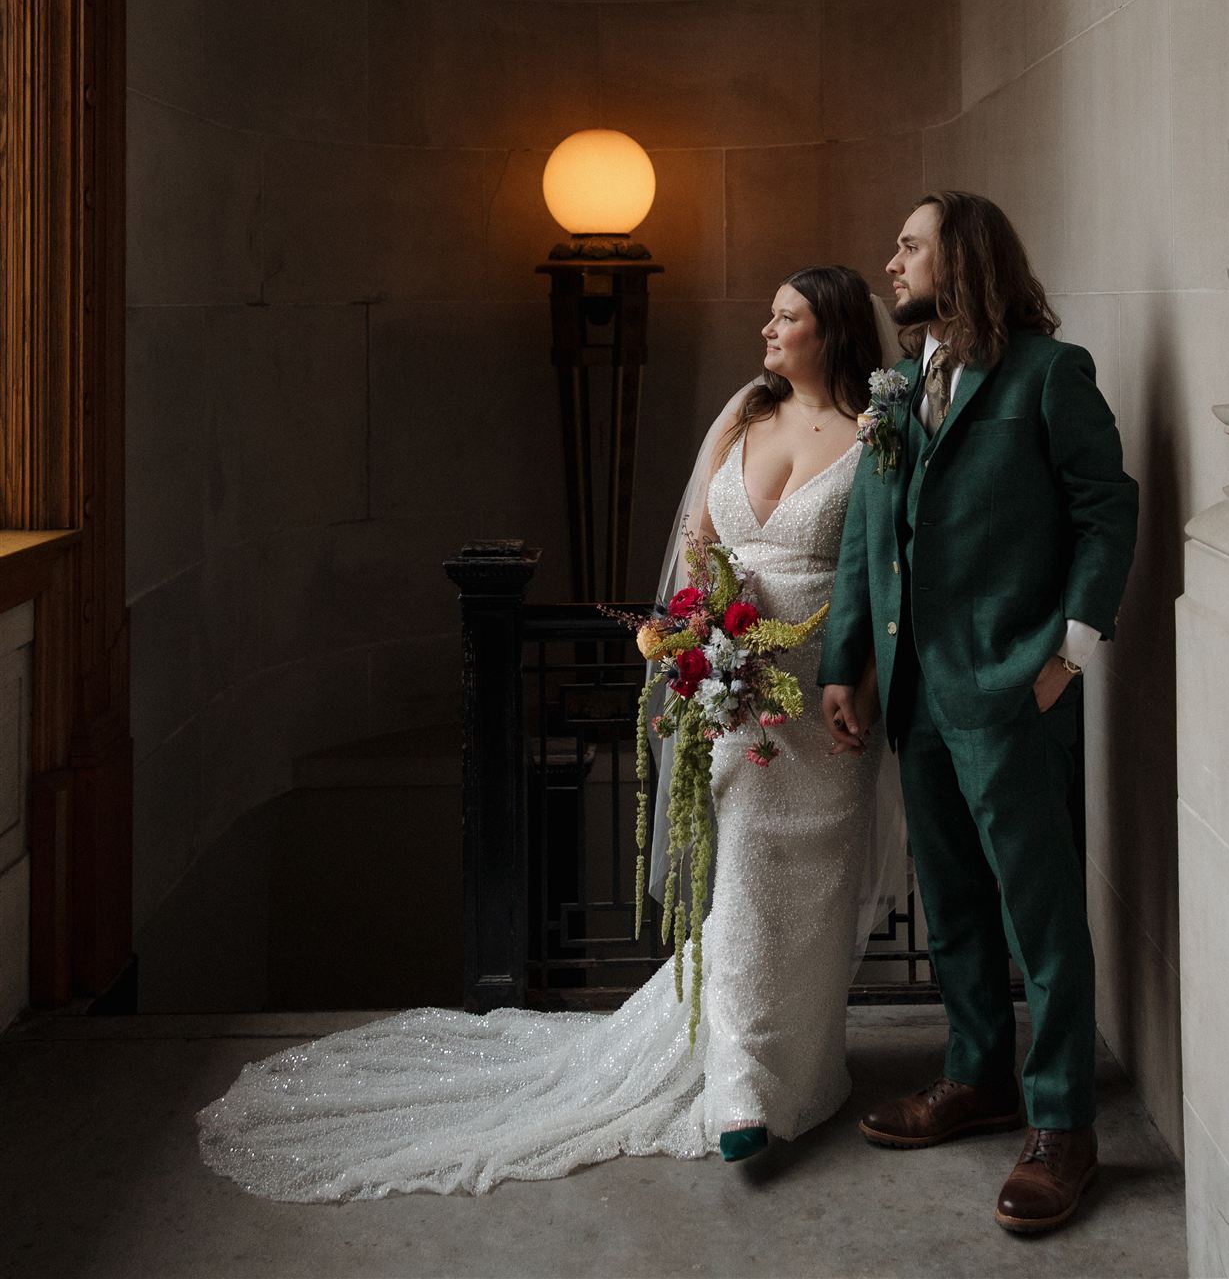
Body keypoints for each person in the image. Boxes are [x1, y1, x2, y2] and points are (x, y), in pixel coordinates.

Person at [197, 265, 905, 1200]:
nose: (766, 329)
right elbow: (697, 545)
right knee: (742, 873)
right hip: (730, 689)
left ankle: (799, 1071)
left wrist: (852, 672)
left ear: (834, 330)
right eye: (770, 314)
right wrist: (697, 639)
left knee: (806, 896)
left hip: (820, 698)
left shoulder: (873, 435)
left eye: (788, 317)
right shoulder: (744, 413)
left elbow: (880, 568)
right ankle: (739, 1086)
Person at [819, 192, 1138, 1237]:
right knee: (951, 902)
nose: (892, 258)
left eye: (909, 243)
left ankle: (1062, 1127)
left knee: (1037, 915)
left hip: (1012, 690)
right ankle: (977, 1076)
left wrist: (1068, 653)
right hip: (916, 692)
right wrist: (848, 660)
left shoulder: (1051, 375)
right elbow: (875, 528)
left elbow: (1107, 510)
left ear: (963, 257)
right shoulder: (902, 387)